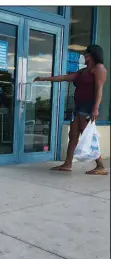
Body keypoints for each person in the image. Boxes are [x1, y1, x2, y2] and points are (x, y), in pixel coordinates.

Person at [34, 44, 107, 175]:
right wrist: (45, 78)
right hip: (78, 108)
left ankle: (100, 166)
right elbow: (64, 77)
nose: (83, 56)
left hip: (88, 108)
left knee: (88, 137)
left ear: (91, 55)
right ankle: (68, 164)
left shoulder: (99, 69)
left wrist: (95, 109)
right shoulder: (83, 71)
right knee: (73, 136)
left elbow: (99, 90)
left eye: (85, 54)